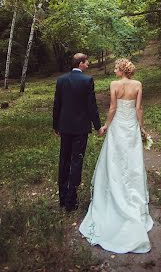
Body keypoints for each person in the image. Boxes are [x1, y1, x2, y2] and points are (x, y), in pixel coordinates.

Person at [79, 58, 153, 254]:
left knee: (114, 160)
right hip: (130, 127)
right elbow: (139, 109)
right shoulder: (137, 85)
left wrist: (106, 125)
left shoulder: (114, 85)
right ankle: (133, 195)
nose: (114, 70)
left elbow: (112, 107)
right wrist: (142, 128)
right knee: (132, 161)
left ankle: (115, 189)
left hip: (118, 126)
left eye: (116, 67)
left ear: (122, 69)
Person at [53, 53, 105, 212]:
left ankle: (62, 198)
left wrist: (56, 126)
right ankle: (71, 201)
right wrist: (98, 127)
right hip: (81, 128)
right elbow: (92, 106)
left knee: (64, 160)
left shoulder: (61, 80)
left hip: (65, 127)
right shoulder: (87, 80)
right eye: (87, 62)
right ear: (81, 63)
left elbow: (57, 105)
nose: (88, 64)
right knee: (76, 161)